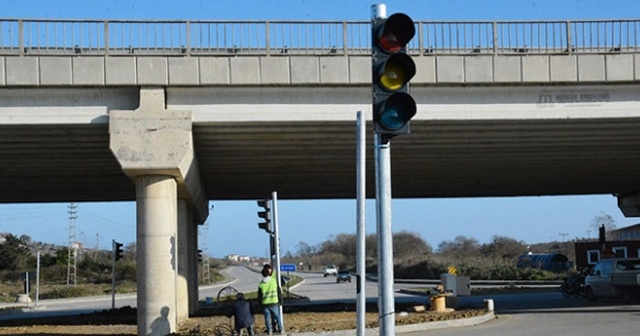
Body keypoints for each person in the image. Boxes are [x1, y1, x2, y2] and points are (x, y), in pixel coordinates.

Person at [257, 264, 283, 335]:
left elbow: (259, 296)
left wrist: (259, 303)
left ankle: (269, 331)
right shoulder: (273, 281)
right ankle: (280, 329)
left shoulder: (261, 284)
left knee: (267, 318)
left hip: (265, 303)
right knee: (277, 316)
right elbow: (278, 291)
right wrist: (281, 300)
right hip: (274, 302)